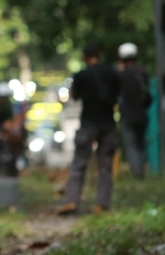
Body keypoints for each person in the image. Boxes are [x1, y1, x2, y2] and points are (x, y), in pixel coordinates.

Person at [59, 43, 120, 214]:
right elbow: (117, 96)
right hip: (108, 123)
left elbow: (74, 96)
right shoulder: (111, 73)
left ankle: (71, 201)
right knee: (105, 166)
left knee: (79, 162)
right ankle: (102, 203)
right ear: (100, 55)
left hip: (88, 123)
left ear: (85, 57)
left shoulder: (81, 75)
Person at [116, 42, 150, 179]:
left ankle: (137, 176)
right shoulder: (142, 72)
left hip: (127, 115)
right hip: (142, 114)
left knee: (131, 145)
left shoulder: (120, 74)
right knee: (141, 144)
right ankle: (141, 171)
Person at [0, 82, 26, 166]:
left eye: (5, 97)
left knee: (15, 139)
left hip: (9, 128)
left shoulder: (13, 105)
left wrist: (12, 126)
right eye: (1, 97)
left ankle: (18, 157)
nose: (3, 99)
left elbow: (16, 118)